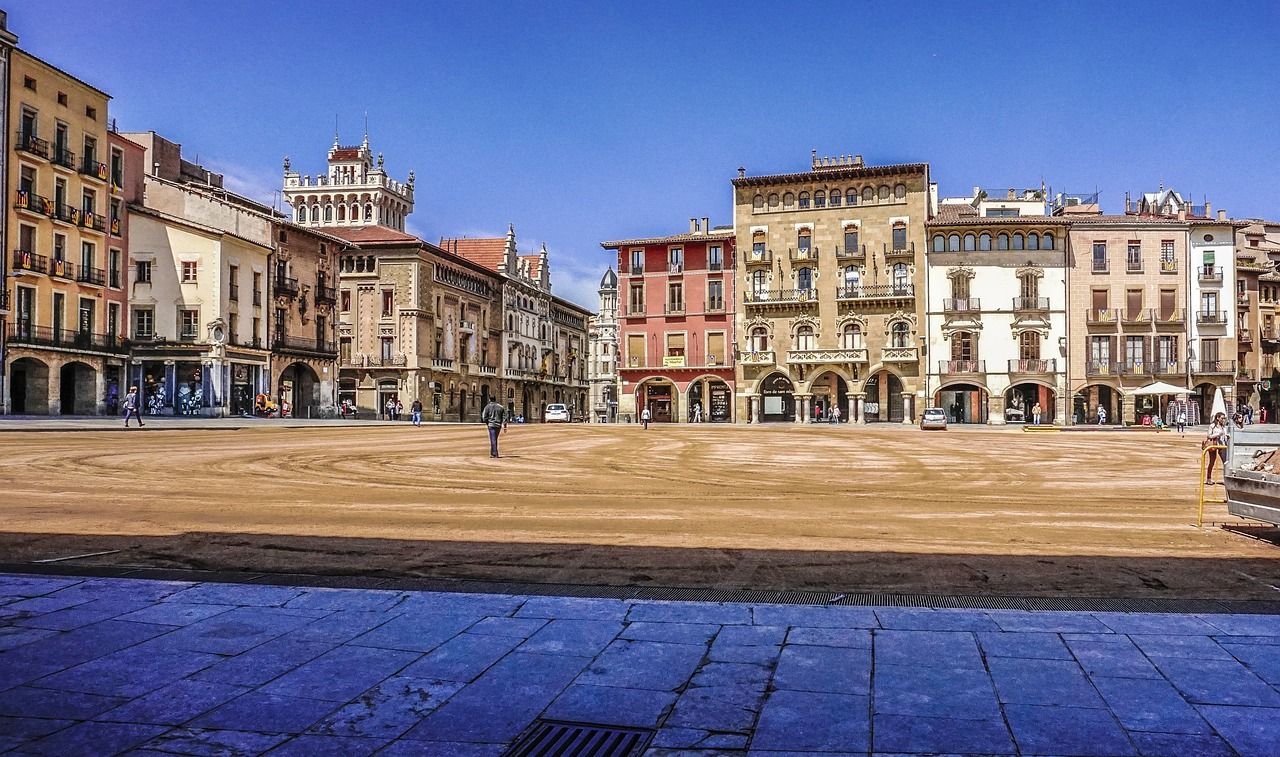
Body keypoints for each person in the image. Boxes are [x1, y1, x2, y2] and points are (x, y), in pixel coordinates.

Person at [1204, 412, 1230, 485]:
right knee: (1212, 462)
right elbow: (1209, 436)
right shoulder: (1212, 426)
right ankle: (1208, 478)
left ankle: (1226, 479)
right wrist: (1217, 434)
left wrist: (1227, 436)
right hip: (1214, 445)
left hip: (1222, 445)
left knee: (1225, 462)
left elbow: (1224, 435)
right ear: (1217, 418)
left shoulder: (1224, 427)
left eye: (1224, 418)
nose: (1223, 420)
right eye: (1222, 418)